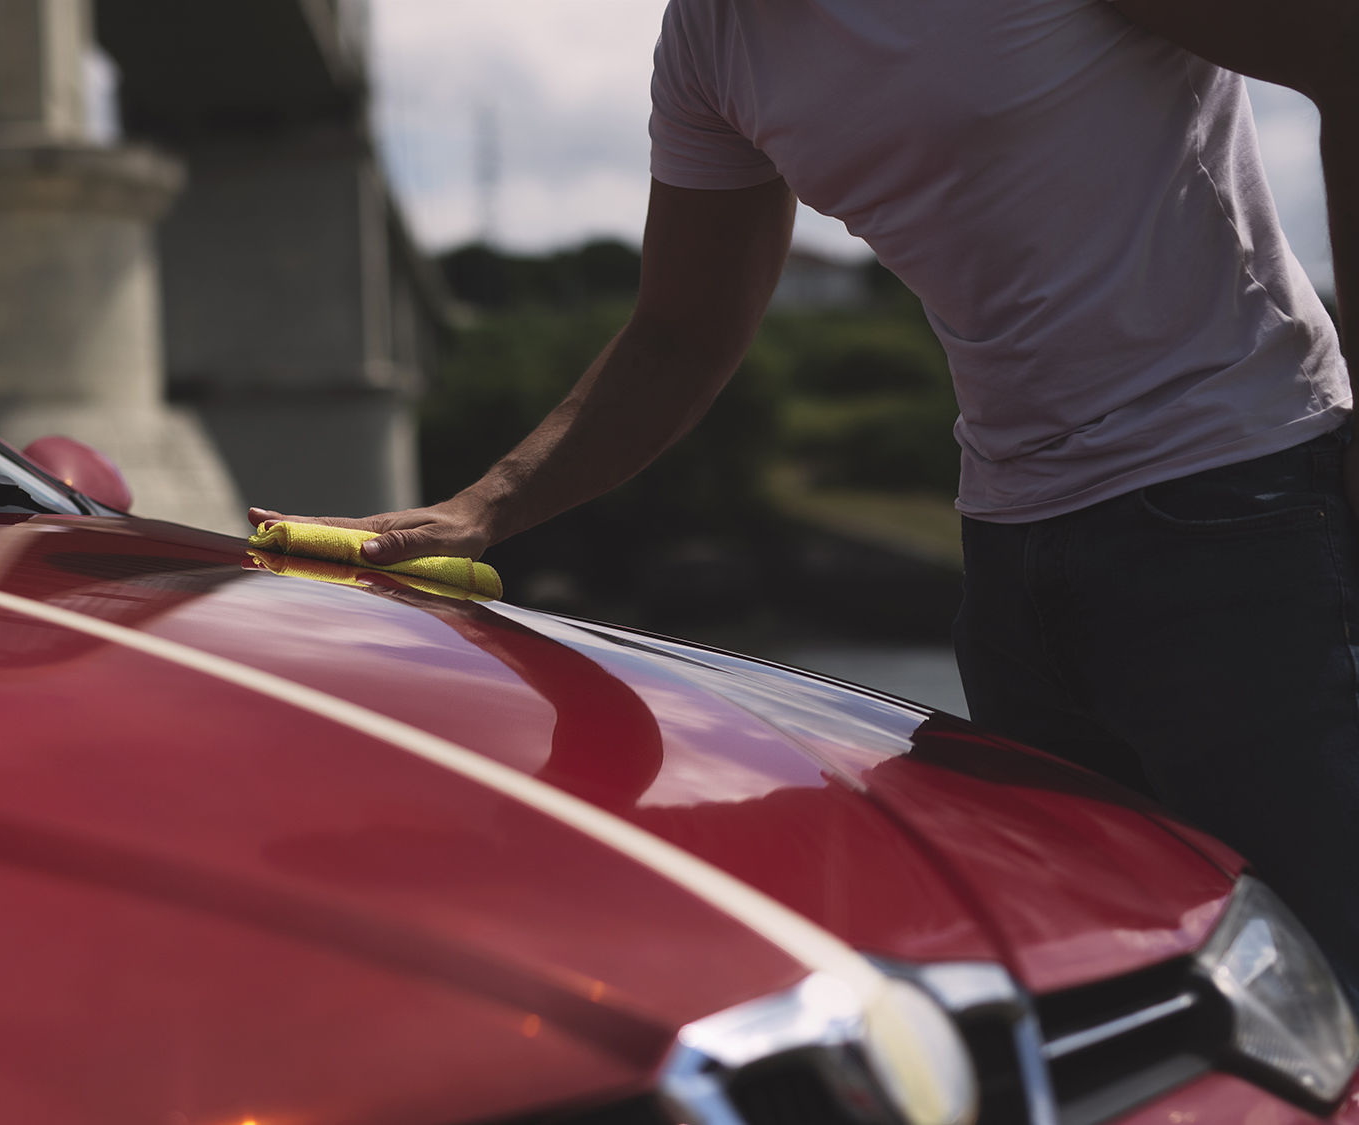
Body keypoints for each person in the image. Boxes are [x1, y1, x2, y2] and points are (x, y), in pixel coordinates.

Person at [251, 0, 1359, 988]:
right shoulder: (709, 42)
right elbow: (680, 332)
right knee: (1102, 993)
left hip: (1243, 514)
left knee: (1321, 979)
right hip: (1012, 559)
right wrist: (481, 509)